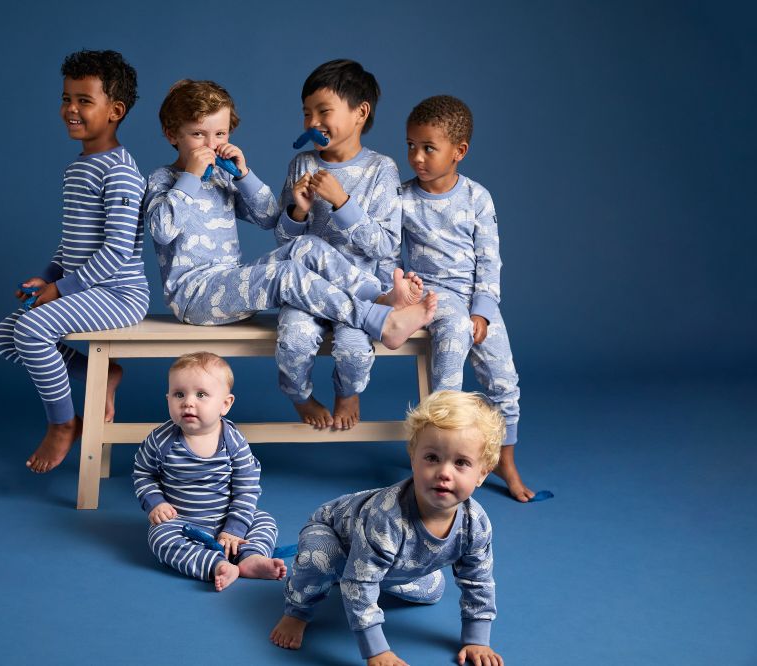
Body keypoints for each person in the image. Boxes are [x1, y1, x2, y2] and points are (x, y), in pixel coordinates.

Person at [143, 79, 435, 353]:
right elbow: (163, 230)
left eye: (219, 134)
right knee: (287, 274)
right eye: (198, 134)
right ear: (172, 135)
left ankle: (380, 299)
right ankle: (380, 321)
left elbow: (268, 216)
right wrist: (190, 176)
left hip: (231, 282)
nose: (210, 145)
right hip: (195, 297)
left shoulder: (222, 176)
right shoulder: (164, 179)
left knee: (306, 245)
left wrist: (244, 175)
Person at [0, 50, 148, 473]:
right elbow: (74, 244)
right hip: (85, 286)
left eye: (84, 100)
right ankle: (106, 374)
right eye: (66, 98)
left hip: (119, 294)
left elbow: (116, 252)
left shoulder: (119, 172)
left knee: (31, 328)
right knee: (7, 336)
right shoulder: (78, 168)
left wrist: (59, 290)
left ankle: (63, 424)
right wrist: (45, 276)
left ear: (115, 111)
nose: (71, 109)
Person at [270, 390, 507, 666]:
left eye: (461, 463)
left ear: (482, 473)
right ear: (413, 456)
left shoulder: (475, 523)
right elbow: (361, 582)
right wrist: (377, 650)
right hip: (335, 536)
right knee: (321, 559)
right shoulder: (388, 519)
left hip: (391, 562)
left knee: (433, 591)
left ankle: (347, 575)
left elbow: (478, 580)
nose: (444, 472)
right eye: (432, 457)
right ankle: (297, 611)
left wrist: (476, 639)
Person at [400, 95, 534, 502]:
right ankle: (443, 456)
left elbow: (489, 261)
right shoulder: (401, 198)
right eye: (410, 146)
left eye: (428, 148)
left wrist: (483, 311)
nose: (416, 157)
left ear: (459, 152)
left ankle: (505, 461)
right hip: (432, 297)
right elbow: (386, 251)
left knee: (504, 381)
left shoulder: (477, 198)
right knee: (450, 369)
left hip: (474, 298)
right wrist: (402, 291)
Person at [275, 59, 403, 431]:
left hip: (364, 294)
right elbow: (285, 245)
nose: (312, 122)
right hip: (307, 290)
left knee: (352, 351)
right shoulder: (301, 165)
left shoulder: (382, 169)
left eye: (323, 111)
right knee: (294, 342)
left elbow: (385, 244)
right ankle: (300, 397)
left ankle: (348, 392)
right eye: (306, 113)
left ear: (360, 112)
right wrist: (297, 214)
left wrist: (342, 202)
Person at [132, 352, 288, 591]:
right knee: (159, 536)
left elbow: (247, 488)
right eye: (179, 394)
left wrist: (234, 528)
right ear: (168, 399)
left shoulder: (233, 442)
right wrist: (155, 502)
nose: (188, 402)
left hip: (229, 517)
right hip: (183, 523)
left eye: (201, 394)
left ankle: (251, 557)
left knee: (263, 519)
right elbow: (143, 473)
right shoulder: (160, 440)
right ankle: (216, 565)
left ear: (225, 404)